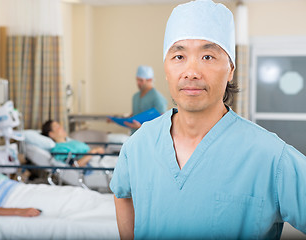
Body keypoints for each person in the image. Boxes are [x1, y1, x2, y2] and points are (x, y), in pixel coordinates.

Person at [110, 1, 306, 239]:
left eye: (208, 56)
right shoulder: (139, 145)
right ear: (165, 67)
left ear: (231, 68)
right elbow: (122, 194)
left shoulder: (271, 157)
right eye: (179, 56)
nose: (191, 71)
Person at [125, 65, 167, 134]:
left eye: (141, 80)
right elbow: (134, 115)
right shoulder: (135, 97)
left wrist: (140, 127)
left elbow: (161, 124)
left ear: (150, 80)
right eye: (137, 80)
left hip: (149, 139)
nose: (138, 83)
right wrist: (118, 120)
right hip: (134, 137)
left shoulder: (158, 98)